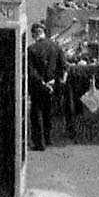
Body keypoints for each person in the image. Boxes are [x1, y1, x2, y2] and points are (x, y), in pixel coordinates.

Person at [27, 22, 67, 151]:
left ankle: (39, 143)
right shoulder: (56, 47)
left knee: (36, 114)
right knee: (47, 113)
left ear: (34, 34)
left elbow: (31, 71)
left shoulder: (31, 49)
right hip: (52, 86)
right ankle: (48, 138)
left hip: (38, 87)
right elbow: (63, 67)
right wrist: (56, 82)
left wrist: (42, 83)